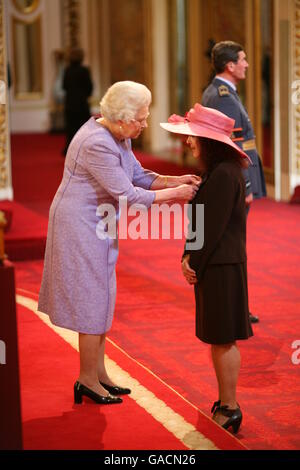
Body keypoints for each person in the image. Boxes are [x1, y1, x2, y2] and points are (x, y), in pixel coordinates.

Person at [38, 81, 201, 406]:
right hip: (78, 224)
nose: (145, 122)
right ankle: (86, 379)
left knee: (104, 293)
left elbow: (137, 175)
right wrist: (178, 195)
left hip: (98, 219)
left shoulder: (117, 134)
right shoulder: (96, 142)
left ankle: (98, 373)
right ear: (123, 118)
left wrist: (175, 179)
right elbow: (129, 195)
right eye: (141, 118)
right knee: (91, 297)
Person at [160, 103, 253, 434]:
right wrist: (188, 255)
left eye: (193, 137)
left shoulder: (224, 174)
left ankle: (230, 406)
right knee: (219, 337)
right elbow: (202, 224)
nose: (188, 142)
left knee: (223, 339)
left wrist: (191, 262)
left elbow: (209, 227)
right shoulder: (220, 171)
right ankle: (227, 402)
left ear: (207, 141)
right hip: (218, 263)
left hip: (220, 266)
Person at [201, 40, 266, 324]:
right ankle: (236, 306)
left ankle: (237, 304)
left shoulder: (220, 91)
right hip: (235, 181)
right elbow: (233, 145)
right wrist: (247, 187)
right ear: (230, 66)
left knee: (233, 244)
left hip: (233, 179)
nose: (247, 64)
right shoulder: (223, 95)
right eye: (243, 59)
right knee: (233, 246)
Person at [62, 48, 93, 155]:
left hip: (70, 103)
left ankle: (70, 150)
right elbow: (89, 87)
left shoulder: (67, 70)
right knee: (83, 128)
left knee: (70, 128)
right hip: (81, 104)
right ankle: (83, 149)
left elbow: (64, 86)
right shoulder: (84, 70)